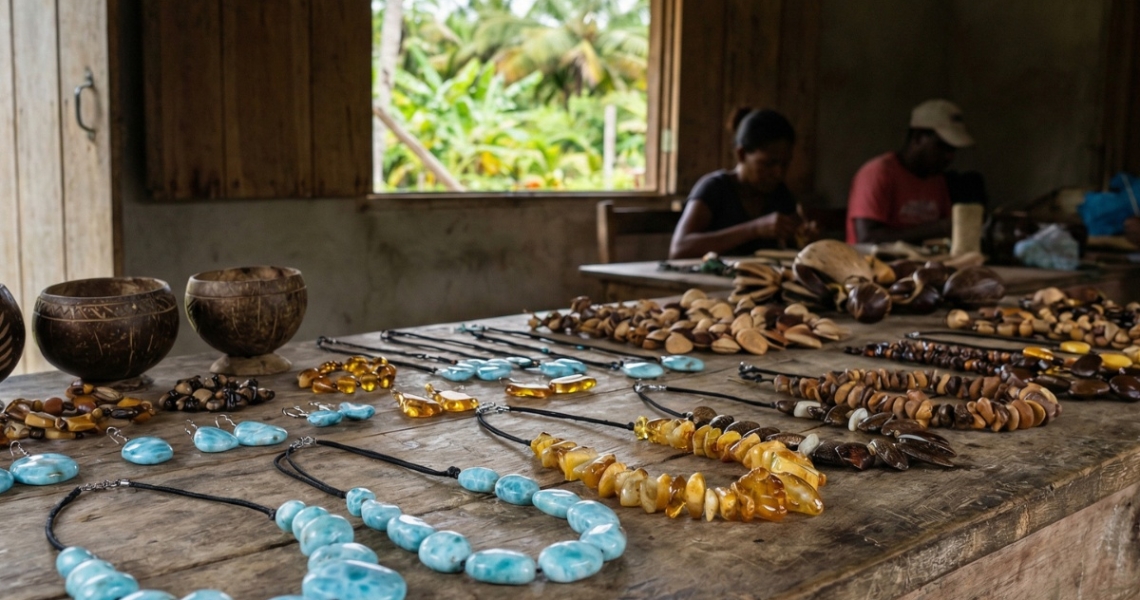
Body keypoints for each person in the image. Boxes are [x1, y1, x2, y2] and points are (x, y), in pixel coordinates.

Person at [669, 108, 815, 259]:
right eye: (768, 164)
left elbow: (794, 244)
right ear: (741, 154)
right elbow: (679, 249)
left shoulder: (780, 194)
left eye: (785, 164)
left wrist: (805, 238)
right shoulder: (714, 188)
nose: (778, 173)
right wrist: (754, 229)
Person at [846, 99, 976, 245]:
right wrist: (939, 228)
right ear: (918, 137)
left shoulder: (936, 177)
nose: (949, 156)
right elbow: (867, 238)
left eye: (953, 150)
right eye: (942, 146)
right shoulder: (878, 173)